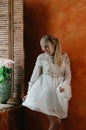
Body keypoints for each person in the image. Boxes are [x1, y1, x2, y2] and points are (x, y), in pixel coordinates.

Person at [22, 34, 72, 130]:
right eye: (42, 46)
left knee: (57, 123)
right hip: (46, 92)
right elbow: (34, 77)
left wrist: (64, 86)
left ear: (53, 44)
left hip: (59, 92)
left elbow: (68, 75)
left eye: (46, 46)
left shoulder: (64, 57)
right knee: (56, 123)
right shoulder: (41, 57)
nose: (43, 49)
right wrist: (29, 93)